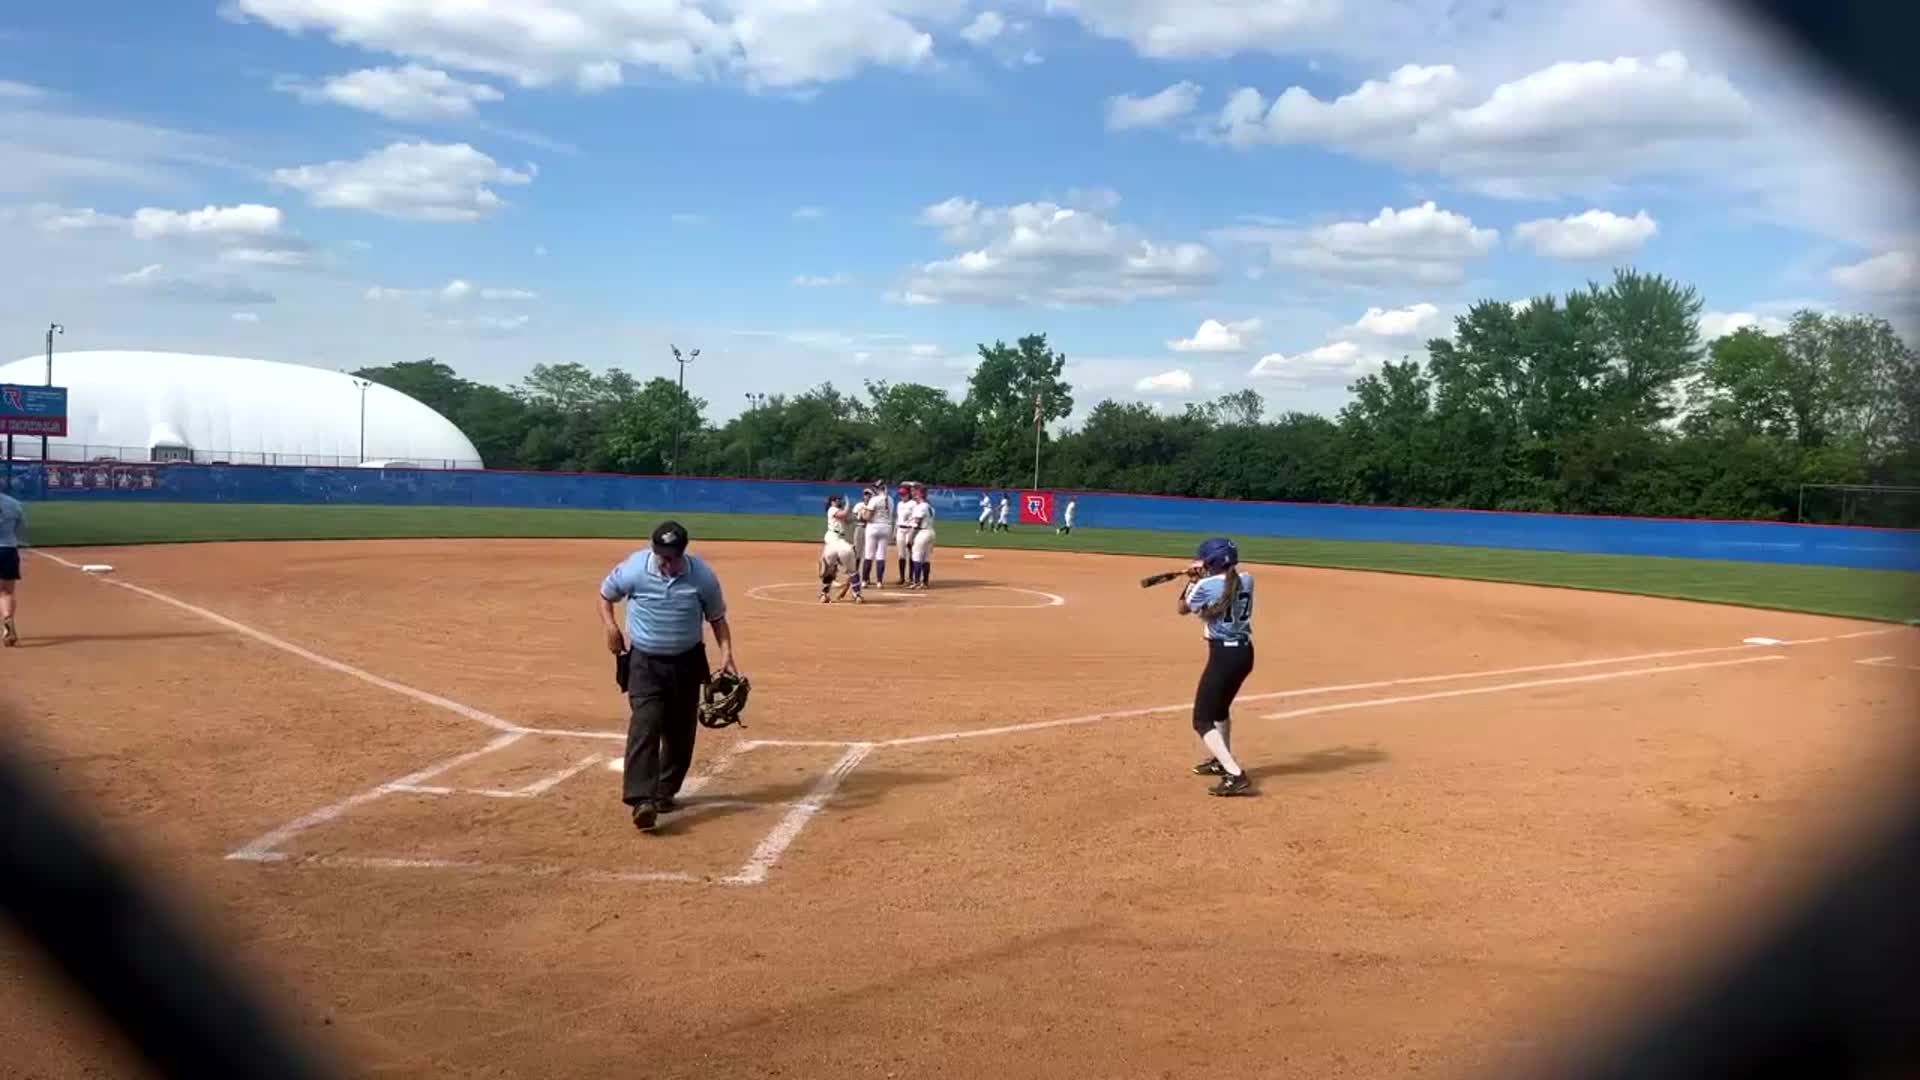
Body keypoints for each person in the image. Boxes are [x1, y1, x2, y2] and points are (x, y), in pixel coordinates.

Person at [597, 520, 737, 833]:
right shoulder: (634, 568)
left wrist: (726, 653)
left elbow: (717, 619)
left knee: (679, 731)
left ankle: (664, 790)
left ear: (683, 552)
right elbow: (606, 595)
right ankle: (641, 799)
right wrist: (610, 627)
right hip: (645, 663)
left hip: (687, 662)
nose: (666, 562)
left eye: (672, 556)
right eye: (661, 555)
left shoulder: (702, 577)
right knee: (646, 723)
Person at [1178, 537, 1254, 797]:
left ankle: (1235, 774)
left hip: (1224, 656)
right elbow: (1223, 588)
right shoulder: (1248, 579)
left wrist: (1192, 579)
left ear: (1211, 561)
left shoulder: (1206, 585)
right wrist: (1200, 576)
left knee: (1201, 720)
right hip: (1244, 655)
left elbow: (1182, 609)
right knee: (1220, 711)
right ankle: (1223, 761)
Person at [820, 495, 863, 604]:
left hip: (833, 544)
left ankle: (824, 594)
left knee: (829, 570)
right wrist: (848, 504)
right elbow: (843, 514)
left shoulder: (837, 512)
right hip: (838, 543)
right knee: (853, 571)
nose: (839, 501)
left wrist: (859, 515)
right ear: (831, 502)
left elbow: (848, 520)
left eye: (839, 500)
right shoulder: (832, 509)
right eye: (836, 500)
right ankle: (857, 595)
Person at [0, 483, 24, 647]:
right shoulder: (14, 503)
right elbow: (19, 528)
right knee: (6, 591)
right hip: (8, 550)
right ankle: (7, 619)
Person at [861, 481, 893, 587]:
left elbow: (868, 516)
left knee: (869, 554)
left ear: (877, 489)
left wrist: (863, 514)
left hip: (873, 526)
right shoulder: (891, 500)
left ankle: (865, 581)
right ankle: (879, 581)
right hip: (886, 527)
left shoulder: (874, 499)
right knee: (881, 555)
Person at [905, 483, 936, 589]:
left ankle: (916, 581)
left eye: (914, 491)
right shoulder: (929, 506)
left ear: (919, 493)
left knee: (916, 556)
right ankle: (925, 582)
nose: (912, 493)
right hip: (930, 532)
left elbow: (917, 524)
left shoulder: (921, 506)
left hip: (923, 532)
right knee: (926, 558)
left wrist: (910, 538)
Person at [893, 482, 918, 586]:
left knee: (911, 554)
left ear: (909, 494)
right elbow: (898, 518)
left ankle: (911, 577)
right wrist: (894, 531)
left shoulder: (913, 503)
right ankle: (902, 577)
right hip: (900, 529)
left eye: (904, 494)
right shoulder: (899, 504)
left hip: (909, 529)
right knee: (901, 555)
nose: (902, 496)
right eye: (901, 494)